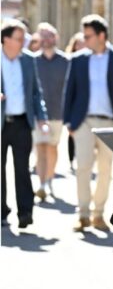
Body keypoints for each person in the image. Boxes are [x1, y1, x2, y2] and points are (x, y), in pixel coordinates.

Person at [62, 14, 113, 232]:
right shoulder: (78, 59)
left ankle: (98, 214)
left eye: (88, 36)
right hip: (83, 121)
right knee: (83, 167)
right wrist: (69, 121)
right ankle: (83, 214)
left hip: (111, 123)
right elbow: (70, 91)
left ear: (101, 35)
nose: (84, 40)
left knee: (105, 170)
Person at [1, 20, 49, 228]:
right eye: (19, 39)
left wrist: (42, 117)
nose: (23, 42)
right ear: (5, 39)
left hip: (22, 123)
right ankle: (2, 211)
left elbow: (36, 92)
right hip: (2, 123)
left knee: (22, 169)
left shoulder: (28, 60)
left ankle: (25, 212)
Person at [32, 23, 70, 199]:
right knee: (40, 147)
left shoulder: (66, 62)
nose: (47, 39)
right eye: (43, 36)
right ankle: (42, 184)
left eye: (50, 35)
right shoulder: (32, 61)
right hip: (37, 115)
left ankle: (49, 179)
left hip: (57, 113)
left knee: (52, 148)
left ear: (56, 38)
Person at [65, 32, 86, 174]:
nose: (80, 46)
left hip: (85, 104)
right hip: (74, 102)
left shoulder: (90, 59)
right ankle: (72, 159)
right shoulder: (70, 60)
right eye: (78, 43)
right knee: (72, 134)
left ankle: (83, 160)